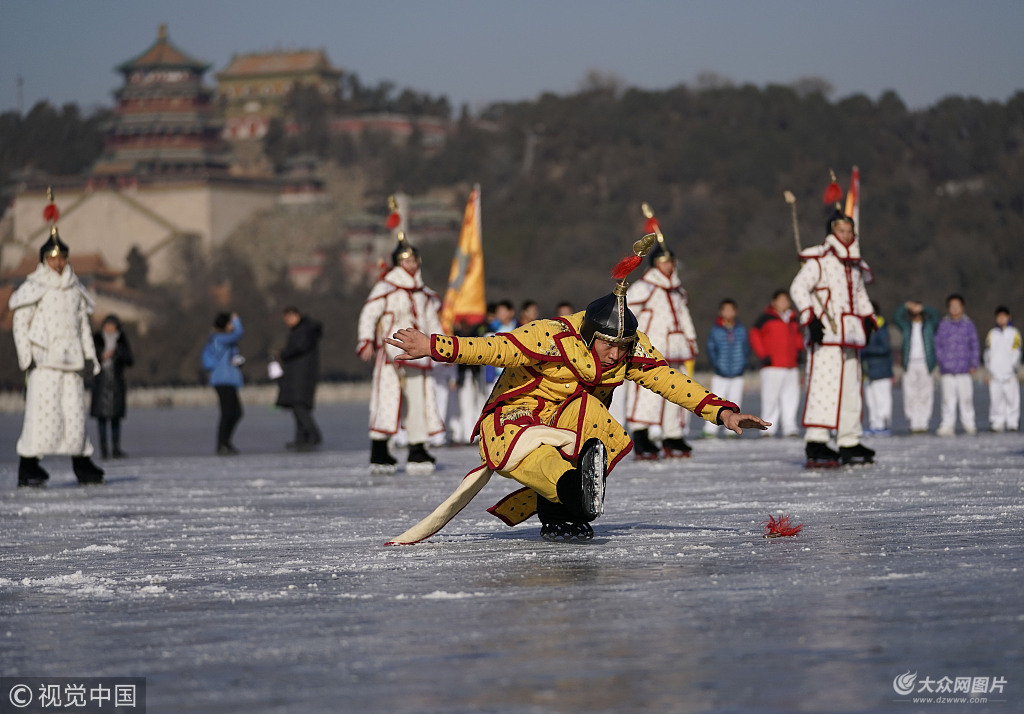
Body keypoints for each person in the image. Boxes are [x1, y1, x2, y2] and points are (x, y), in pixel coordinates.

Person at [383, 234, 769, 544]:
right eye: (608, 345)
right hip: (517, 416)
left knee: (591, 417)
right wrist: (433, 346)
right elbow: (494, 347)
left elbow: (669, 380)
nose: (616, 354)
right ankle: (574, 493)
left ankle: (567, 506)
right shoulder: (550, 336)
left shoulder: (630, 348)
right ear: (588, 336)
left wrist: (723, 412)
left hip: (570, 419)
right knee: (537, 456)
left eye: (622, 347)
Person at [9, 210, 105, 487]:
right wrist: (26, 358)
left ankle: (82, 463)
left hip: (72, 361)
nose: (58, 263)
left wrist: (89, 358)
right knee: (42, 415)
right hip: (45, 362)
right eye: (53, 258)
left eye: (62, 258)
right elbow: (20, 325)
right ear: (44, 260)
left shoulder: (75, 289)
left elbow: (82, 327)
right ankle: (29, 465)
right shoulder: (34, 287)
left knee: (75, 415)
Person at [790, 200, 875, 467]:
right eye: (842, 230)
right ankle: (817, 440)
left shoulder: (855, 265)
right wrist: (809, 317)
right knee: (823, 387)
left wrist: (869, 318)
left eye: (850, 230)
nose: (847, 235)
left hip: (850, 336)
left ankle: (849, 439)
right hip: (825, 334)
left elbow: (860, 295)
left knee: (851, 389)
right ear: (831, 232)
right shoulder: (819, 261)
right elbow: (798, 288)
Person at [357, 230, 445, 474]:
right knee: (386, 397)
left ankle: (417, 447)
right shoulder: (386, 287)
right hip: (391, 351)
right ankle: (379, 448)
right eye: (407, 261)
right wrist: (365, 339)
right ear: (398, 263)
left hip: (419, 352)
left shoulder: (423, 293)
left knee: (419, 399)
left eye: (414, 260)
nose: (412, 265)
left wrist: (444, 348)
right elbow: (369, 313)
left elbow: (432, 322)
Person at [624, 233, 699, 458]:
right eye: (664, 261)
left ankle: (672, 434)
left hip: (676, 348)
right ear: (656, 264)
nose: (669, 266)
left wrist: (691, 340)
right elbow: (627, 311)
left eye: (671, 261)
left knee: (677, 390)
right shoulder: (645, 287)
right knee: (647, 392)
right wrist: (629, 338)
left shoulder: (677, 289)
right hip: (651, 348)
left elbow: (684, 315)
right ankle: (641, 434)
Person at [748, 290, 802, 438]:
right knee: (770, 398)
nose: (784, 303)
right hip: (772, 365)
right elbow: (754, 335)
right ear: (774, 302)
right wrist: (763, 355)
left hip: (791, 365)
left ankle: (790, 426)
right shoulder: (766, 318)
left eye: (786, 300)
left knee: (791, 397)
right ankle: (768, 427)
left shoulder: (792, 318)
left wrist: (799, 351)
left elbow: (798, 337)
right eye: (781, 300)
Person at [275, 306, 323, 450]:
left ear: (295, 315)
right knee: (299, 406)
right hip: (299, 373)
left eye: (288, 318)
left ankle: (313, 435)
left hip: (302, 375)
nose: (287, 322)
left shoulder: (304, 330)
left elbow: (300, 347)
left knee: (299, 406)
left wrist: (283, 354)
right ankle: (301, 438)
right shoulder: (303, 330)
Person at [703, 299, 749, 438]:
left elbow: (746, 349)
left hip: (737, 373)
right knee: (715, 402)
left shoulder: (741, 330)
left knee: (735, 402)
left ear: (735, 312)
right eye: (725, 310)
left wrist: (742, 365)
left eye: (731, 310)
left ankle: (732, 430)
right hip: (720, 373)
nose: (728, 313)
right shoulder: (715, 330)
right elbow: (711, 348)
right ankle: (710, 430)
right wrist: (716, 364)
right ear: (721, 312)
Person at [934, 294, 979, 436]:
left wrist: (973, 363)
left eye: (957, 306)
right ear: (948, 308)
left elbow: (974, 345)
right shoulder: (943, 324)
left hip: (964, 369)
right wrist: (941, 361)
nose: (955, 309)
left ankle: (969, 424)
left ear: (962, 307)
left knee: (966, 399)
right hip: (947, 369)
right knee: (947, 400)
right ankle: (947, 425)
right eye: (952, 306)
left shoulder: (968, 324)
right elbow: (938, 344)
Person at [892, 300, 940, 433]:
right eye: (913, 313)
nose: (916, 316)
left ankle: (923, 422)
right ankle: (913, 421)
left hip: (926, 363)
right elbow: (896, 317)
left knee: (925, 393)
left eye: (919, 313)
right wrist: (906, 306)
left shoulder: (929, 326)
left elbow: (936, 315)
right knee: (910, 394)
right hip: (910, 363)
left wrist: (924, 307)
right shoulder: (906, 326)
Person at [90, 314, 134, 458]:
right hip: (101, 382)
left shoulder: (122, 340)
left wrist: (116, 353)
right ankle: (104, 450)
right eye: (107, 325)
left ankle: (116, 448)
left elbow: (130, 360)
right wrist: (101, 356)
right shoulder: (96, 339)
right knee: (101, 418)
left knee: (116, 418)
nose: (109, 328)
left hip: (116, 382)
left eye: (112, 325)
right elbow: (89, 357)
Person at [204, 312, 244, 455]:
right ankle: (222, 443)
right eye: (230, 323)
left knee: (236, 412)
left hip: (229, 380)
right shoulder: (220, 339)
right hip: (222, 380)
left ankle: (226, 442)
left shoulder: (223, 341)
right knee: (228, 413)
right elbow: (239, 333)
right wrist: (237, 320)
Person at [984, 305, 1022, 432]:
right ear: (996, 318)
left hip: (1010, 374)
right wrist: (989, 369)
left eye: (1003, 317)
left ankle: (1012, 423)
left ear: (1009, 317)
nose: (1001, 319)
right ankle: (997, 422)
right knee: (996, 401)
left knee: (1012, 400)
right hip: (995, 374)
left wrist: (1013, 367)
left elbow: (1017, 352)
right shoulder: (992, 334)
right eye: (999, 317)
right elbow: (987, 353)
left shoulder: (1014, 333)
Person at [860, 301, 894, 436]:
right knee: (871, 400)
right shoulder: (862, 327)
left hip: (881, 371)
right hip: (868, 372)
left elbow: (885, 348)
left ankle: (884, 424)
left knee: (882, 399)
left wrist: (866, 349)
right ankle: (875, 424)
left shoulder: (881, 327)